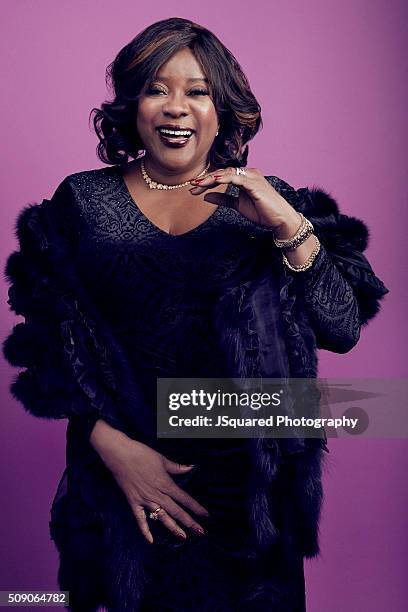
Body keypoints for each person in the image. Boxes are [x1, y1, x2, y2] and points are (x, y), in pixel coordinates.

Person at [3, 16, 389, 612]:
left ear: (224, 108)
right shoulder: (82, 202)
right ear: (132, 105)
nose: (176, 108)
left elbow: (341, 329)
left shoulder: (271, 202)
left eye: (198, 91)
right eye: (157, 88)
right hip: (125, 489)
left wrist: (289, 224)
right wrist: (106, 442)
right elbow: (46, 344)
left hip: (250, 505)